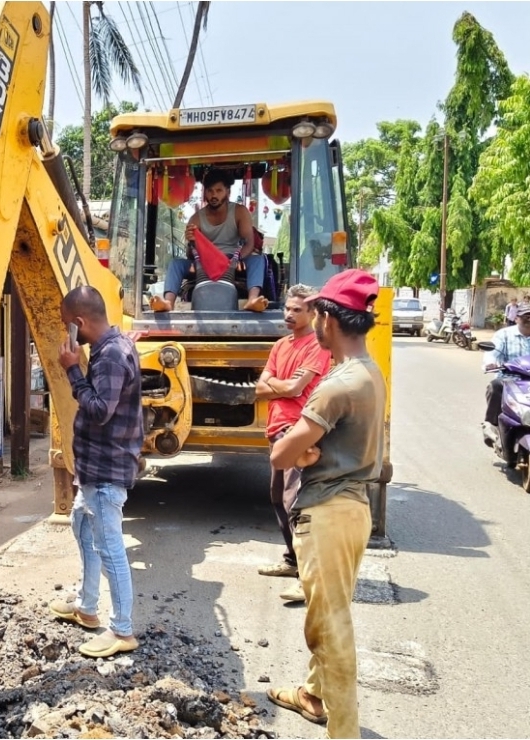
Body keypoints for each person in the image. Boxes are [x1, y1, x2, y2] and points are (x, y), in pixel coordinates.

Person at [266, 269, 386, 739]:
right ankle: (314, 696)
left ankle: (345, 731)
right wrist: (310, 447)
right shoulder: (366, 373)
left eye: (316, 311)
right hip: (353, 507)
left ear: (329, 321)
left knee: (329, 629)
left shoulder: (340, 385)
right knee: (331, 610)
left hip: (330, 512)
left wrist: (300, 448)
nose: (311, 320)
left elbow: (280, 454)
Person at [49, 285, 144, 658]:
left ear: (79, 323)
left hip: (106, 468)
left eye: (67, 327)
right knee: (82, 527)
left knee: (109, 547)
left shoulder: (109, 357)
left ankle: (122, 630)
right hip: (94, 467)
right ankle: (88, 608)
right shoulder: (111, 348)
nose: (67, 334)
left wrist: (73, 371)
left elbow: (100, 410)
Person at [254, 284, 332, 603]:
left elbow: (295, 388)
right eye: (287, 308)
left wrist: (277, 385)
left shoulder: (317, 346)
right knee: (278, 497)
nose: (289, 314)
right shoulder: (280, 345)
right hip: (277, 428)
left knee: (294, 500)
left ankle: (307, 576)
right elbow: (261, 388)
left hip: (299, 428)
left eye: (297, 310)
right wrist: (279, 386)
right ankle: (292, 561)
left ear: (313, 313)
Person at [150, 169, 268, 313]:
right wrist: (191, 241)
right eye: (210, 191)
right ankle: (168, 303)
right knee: (176, 264)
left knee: (258, 260)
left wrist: (237, 260)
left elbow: (249, 243)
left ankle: (252, 299)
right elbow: (190, 254)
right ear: (205, 193)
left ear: (227, 192)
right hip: (204, 263)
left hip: (233, 260)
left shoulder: (239, 211)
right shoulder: (196, 218)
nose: (214, 195)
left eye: (219, 190)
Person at [482, 303, 530, 445]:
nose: (529, 319)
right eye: (526, 316)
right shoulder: (503, 335)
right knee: (495, 386)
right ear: (516, 318)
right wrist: (491, 363)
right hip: (510, 379)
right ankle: (491, 424)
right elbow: (492, 353)